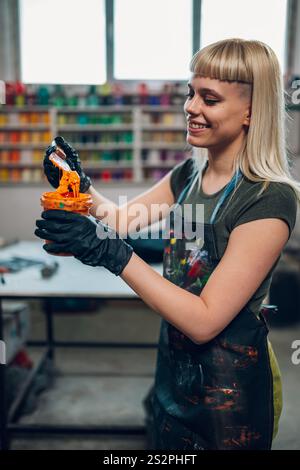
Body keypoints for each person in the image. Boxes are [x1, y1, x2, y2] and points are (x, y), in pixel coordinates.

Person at [35, 38, 300, 450]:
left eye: (209, 99)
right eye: (191, 93)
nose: (191, 107)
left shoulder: (267, 198)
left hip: (231, 390)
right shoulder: (189, 176)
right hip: (177, 370)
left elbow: (204, 320)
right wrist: (80, 189)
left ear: (251, 111)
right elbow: (122, 220)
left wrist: (111, 253)